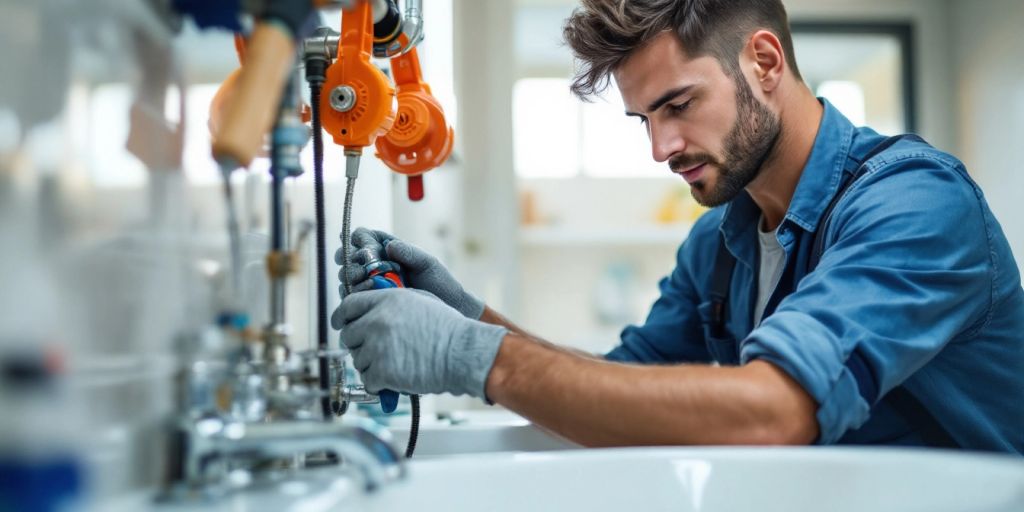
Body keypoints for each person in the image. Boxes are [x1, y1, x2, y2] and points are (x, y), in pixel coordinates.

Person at [332, 0, 1024, 452]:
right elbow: (618, 394)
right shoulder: (724, 236)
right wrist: (473, 320)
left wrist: (469, 357)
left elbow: (775, 413)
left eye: (679, 105)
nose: (660, 149)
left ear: (763, 62)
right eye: (645, 120)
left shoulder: (914, 205)